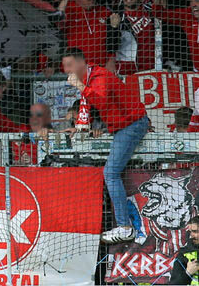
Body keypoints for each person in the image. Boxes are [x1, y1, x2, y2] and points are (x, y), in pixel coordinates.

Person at [59, 48, 151, 243]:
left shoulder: (100, 76)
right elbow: (89, 106)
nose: (66, 70)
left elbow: (99, 100)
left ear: (80, 63)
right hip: (121, 126)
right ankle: (124, 225)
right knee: (111, 172)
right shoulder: (90, 78)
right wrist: (80, 127)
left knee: (110, 173)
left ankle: (125, 227)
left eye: (69, 65)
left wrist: (79, 86)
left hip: (131, 124)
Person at [167, 218, 199, 285]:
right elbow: (174, 285)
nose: (197, 235)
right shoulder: (183, 254)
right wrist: (188, 272)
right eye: (194, 231)